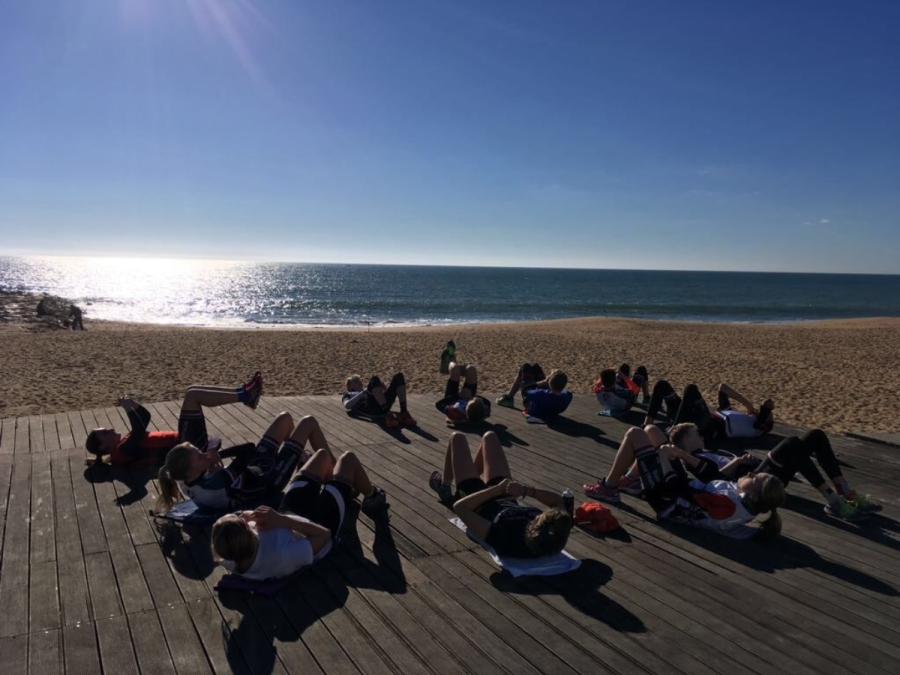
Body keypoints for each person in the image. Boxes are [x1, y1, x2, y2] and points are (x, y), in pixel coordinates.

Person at [211, 448, 387, 580]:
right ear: (249, 533)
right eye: (241, 519)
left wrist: (251, 516)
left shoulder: (230, 553)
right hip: (317, 523)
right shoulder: (283, 555)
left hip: (289, 513)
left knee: (322, 455)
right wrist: (280, 520)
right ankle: (371, 495)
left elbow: (231, 534)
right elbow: (324, 535)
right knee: (348, 458)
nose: (243, 516)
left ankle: (341, 487)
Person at [583, 427, 785, 539]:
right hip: (677, 489)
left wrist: (664, 458)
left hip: (666, 498)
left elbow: (680, 491)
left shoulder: (728, 506)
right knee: (652, 431)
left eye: (754, 478)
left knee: (636, 434)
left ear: (754, 494)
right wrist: (680, 455)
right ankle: (631, 481)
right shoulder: (741, 502)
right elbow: (714, 479)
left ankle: (609, 488)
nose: (750, 473)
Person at [667, 423, 880, 521]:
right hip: (754, 484)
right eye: (695, 433)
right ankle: (833, 501)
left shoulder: (705, 451)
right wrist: (738, 461)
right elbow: (714, 479)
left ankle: (845, 491)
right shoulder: (694, 461)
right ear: (686, 440)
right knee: (789, 443)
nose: (700, 434)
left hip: (763, 473)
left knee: (815, 435)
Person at [428, 431, 574, 558]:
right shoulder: (553, 532)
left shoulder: (504, 537)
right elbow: (557, 501)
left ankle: (444, 486)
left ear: (535, 525)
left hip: (474, 498)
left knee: (457, 438)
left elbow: (460, 507)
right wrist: (525, 490)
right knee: (489, 437)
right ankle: (470, 474)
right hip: (504, 495)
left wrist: (496, 490)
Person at [155, 412, 330, 513]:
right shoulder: (216, 484)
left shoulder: (184, 479)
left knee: (285, 419)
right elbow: (249, 448)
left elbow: (215, 441)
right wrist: (218, 455)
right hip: (270, 479)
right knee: (308, 422)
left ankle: (300, 459)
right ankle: (333, 476)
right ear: (189, 470)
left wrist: (210, 456)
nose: (203, 455)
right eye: (199, 457)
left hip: (253, 471)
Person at [84, 372, 263, 467]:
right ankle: (244, 395)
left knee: (192, 390)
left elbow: (145, 417)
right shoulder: (121, 452)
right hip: (185, 449)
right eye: (105, 433)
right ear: (102, 446)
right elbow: (140, 427)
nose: (109, 429)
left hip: (185, 444)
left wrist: (133, 404)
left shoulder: (123, 445)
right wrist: (128, 408)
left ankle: (243, 393)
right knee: (192, 396)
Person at [643, 382, 774, 442]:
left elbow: (767, 403)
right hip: (693, 417)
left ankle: (673, 433)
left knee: (691, 389)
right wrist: (748, 405)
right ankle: (646, 426)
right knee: (661, 385)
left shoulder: (758, 427)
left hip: (709, 427)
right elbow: (723, 387)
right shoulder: (731, 412)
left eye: (766, 416)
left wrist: (751, 407)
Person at [342, 373, 417, 428]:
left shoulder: (366, 391)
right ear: (349, 386)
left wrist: (384, 389)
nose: (359, 382)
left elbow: (392, 401)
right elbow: (347, 405)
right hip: (371, 408)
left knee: (399, 377)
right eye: (355, 381)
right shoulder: (349, 394)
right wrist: (362, 393)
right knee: (374, 379)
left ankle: (404, 412)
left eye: (359, 380)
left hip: (381, 405)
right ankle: (387, 414)